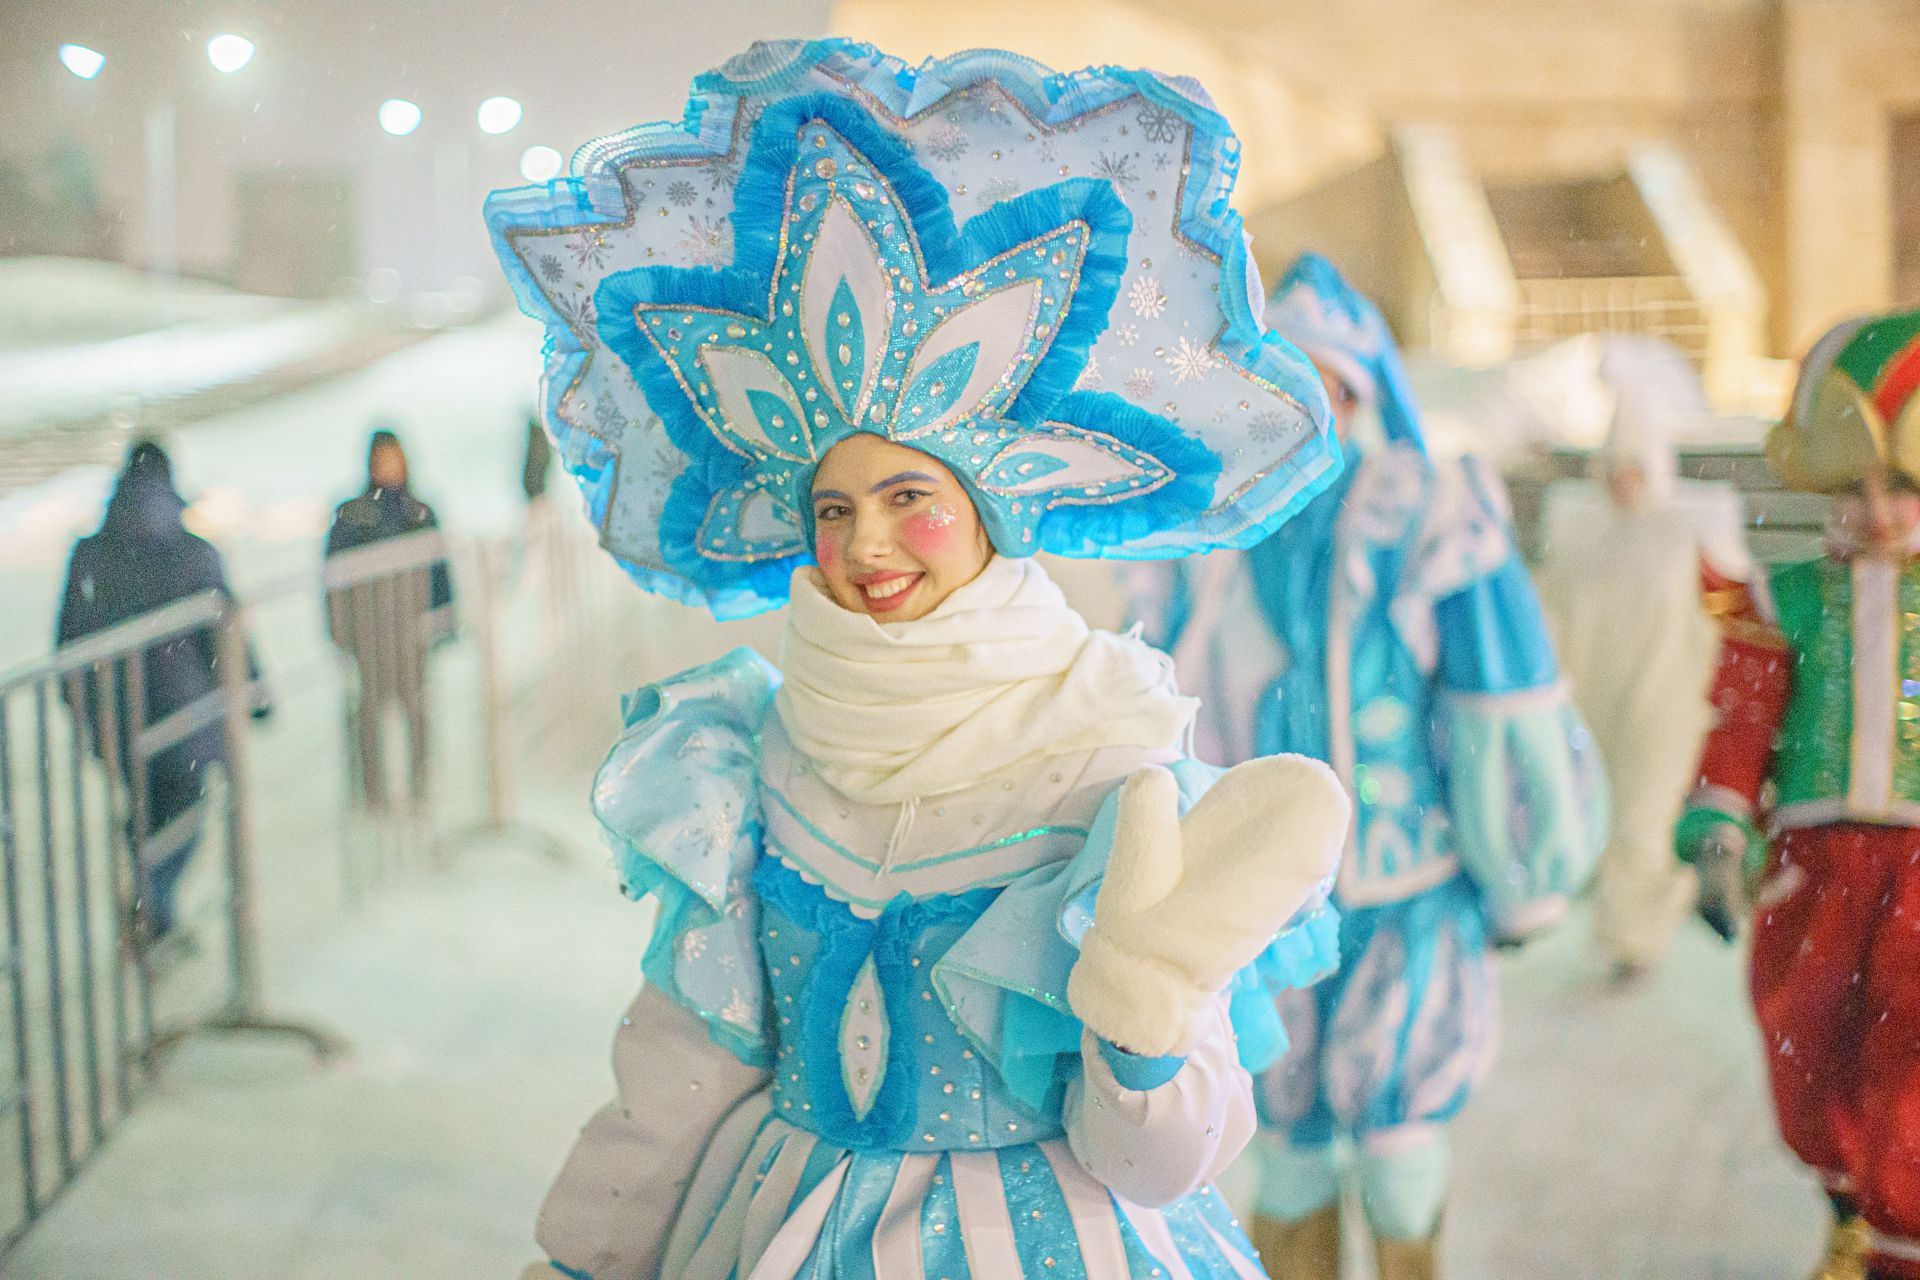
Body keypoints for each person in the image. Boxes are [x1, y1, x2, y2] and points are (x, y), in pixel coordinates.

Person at [490, 41, 1359, 1280]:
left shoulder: (1106, 756)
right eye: (831, 507)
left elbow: (1163, 1163)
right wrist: (581, 1261)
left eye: (910, 494)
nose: (865, 544)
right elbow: (678, 1076)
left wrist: (1143, 1028)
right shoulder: (751, 759)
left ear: (993, 507)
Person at [1130, 254, 1606, 1280]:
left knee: (1399, 1154)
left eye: (1327, 384)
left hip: (1407, 888)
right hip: (1264, 896)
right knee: (1288, 1147)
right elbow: (1157, 696)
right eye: (1279, 384)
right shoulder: (1208, 533)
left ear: (1359, 390)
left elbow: (1502, 691)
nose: (1304, 408)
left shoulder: (1428, 514)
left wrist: (1523, 860)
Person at [1676, 307, 1920, 1280]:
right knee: (1808, 1043)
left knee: (1912, 1065)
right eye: (1854, 485)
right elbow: (1740, 729)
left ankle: (1901, 1235)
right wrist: (1720, 830)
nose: (1876, 507)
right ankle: (1849, 1201)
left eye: (1899, 484)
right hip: (1815, 869)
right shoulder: (1788, 596)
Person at [1536, 341, 1754, 980]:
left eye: (1636, 466)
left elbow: (1731, 613)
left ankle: (1633, 943)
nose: (1624, 480)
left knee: (1641, 821)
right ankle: (1636, 918)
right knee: (1607, 818)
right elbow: (1552, 612)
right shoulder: (1582, 540)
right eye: (1615, 466)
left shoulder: (1688, 536)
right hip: (1596, 696)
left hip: (1666, 702)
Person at [57, 439, 263, 945]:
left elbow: (67, 641)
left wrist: (82, 709)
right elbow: (227, 635)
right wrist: (257, 693)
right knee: (185, 809)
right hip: (185, 713)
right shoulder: (195, 551)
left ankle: (154, 909)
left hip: (116, 716)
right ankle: (157, 906)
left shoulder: (90, 552)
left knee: (143, 811)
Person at [322, 427, 454, 815]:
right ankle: (371, 793)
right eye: (381, 459)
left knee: (416, 707)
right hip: (369, 632)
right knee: (368, 712)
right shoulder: (352, 515)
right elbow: (333, 577)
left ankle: (420, 786)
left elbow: (440, 573)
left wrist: (444, 619)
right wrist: (339, 629)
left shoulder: (421, 512)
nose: (388, 467)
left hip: (410, 630)